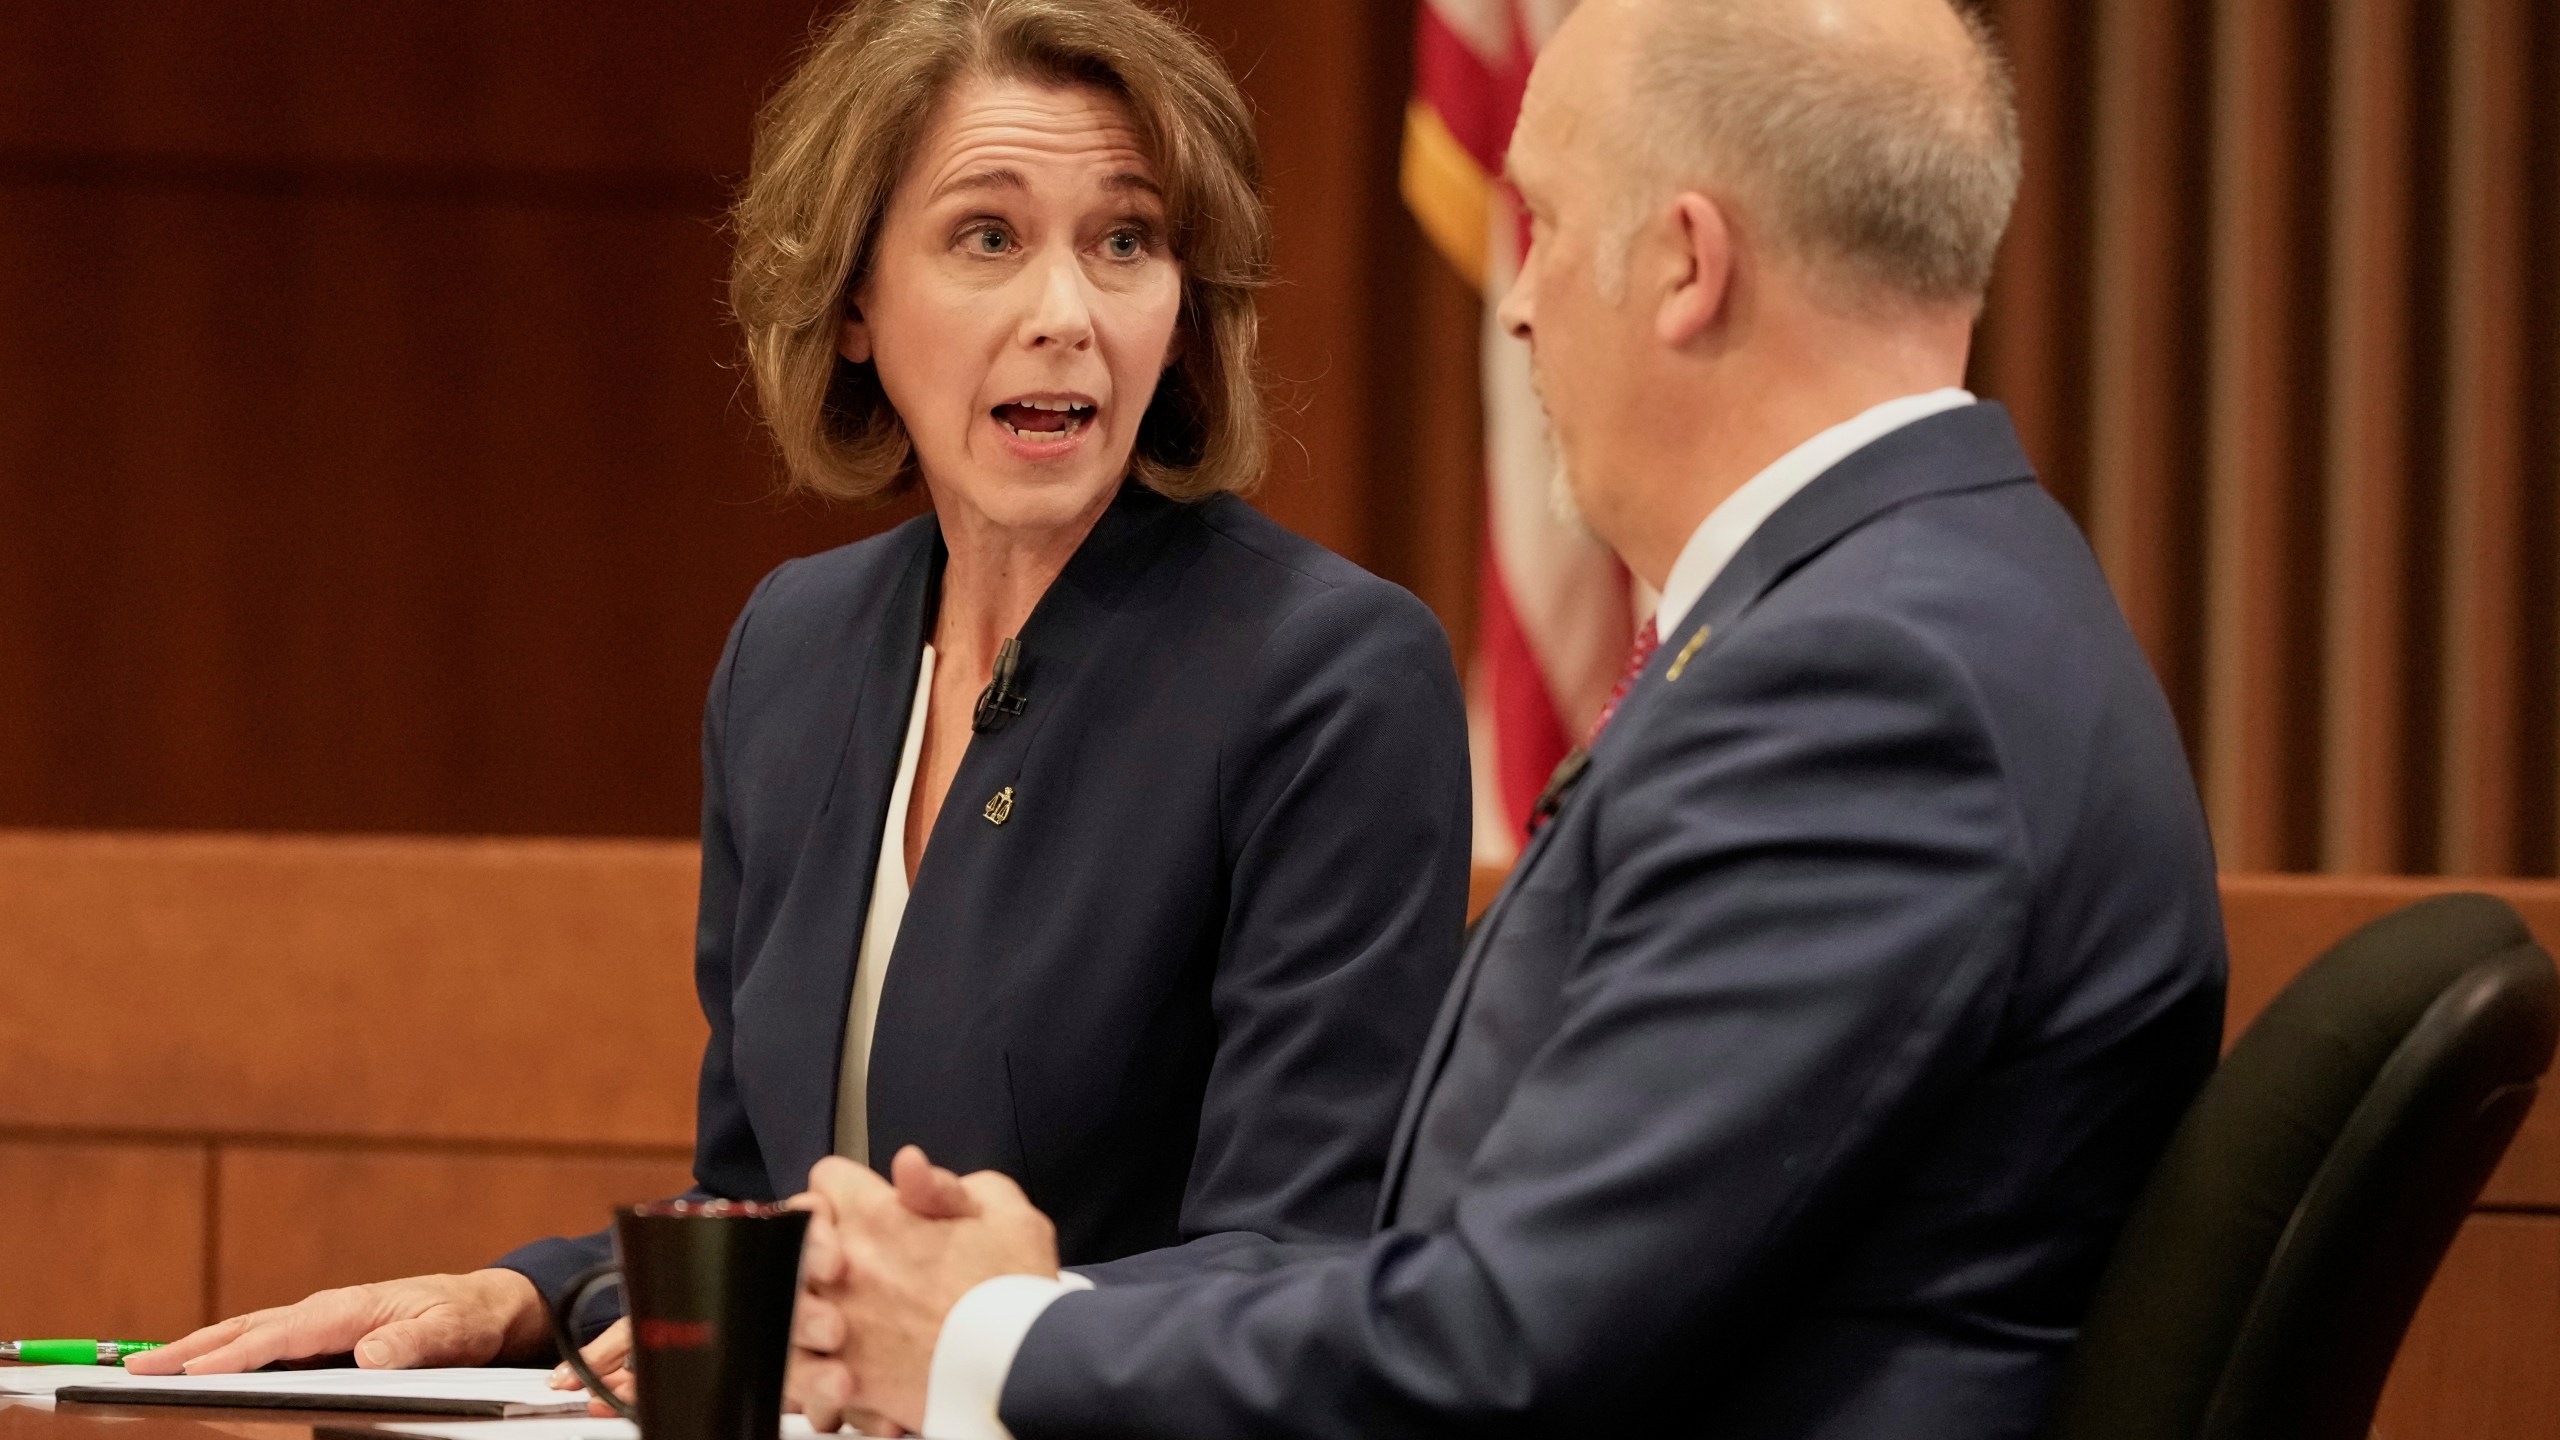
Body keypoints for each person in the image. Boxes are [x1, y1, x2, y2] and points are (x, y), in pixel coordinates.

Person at [781, 0, 2230, 1436]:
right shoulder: (1921, 610)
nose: (1519, 301)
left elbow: (1497, 1347)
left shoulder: (1869, 690)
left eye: (1540, 222)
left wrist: (990, 1344)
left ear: (1683, 265)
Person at [131, 0, 1471, 1387]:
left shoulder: (1327, 676)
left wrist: (925, 1340)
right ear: (850, 302)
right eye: (988, 237)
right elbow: (767, 1205)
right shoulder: (797, 651)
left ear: (1186, 312)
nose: (1066, 313)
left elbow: (1305, 1259)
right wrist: (522, 1297)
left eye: (1126, 240)